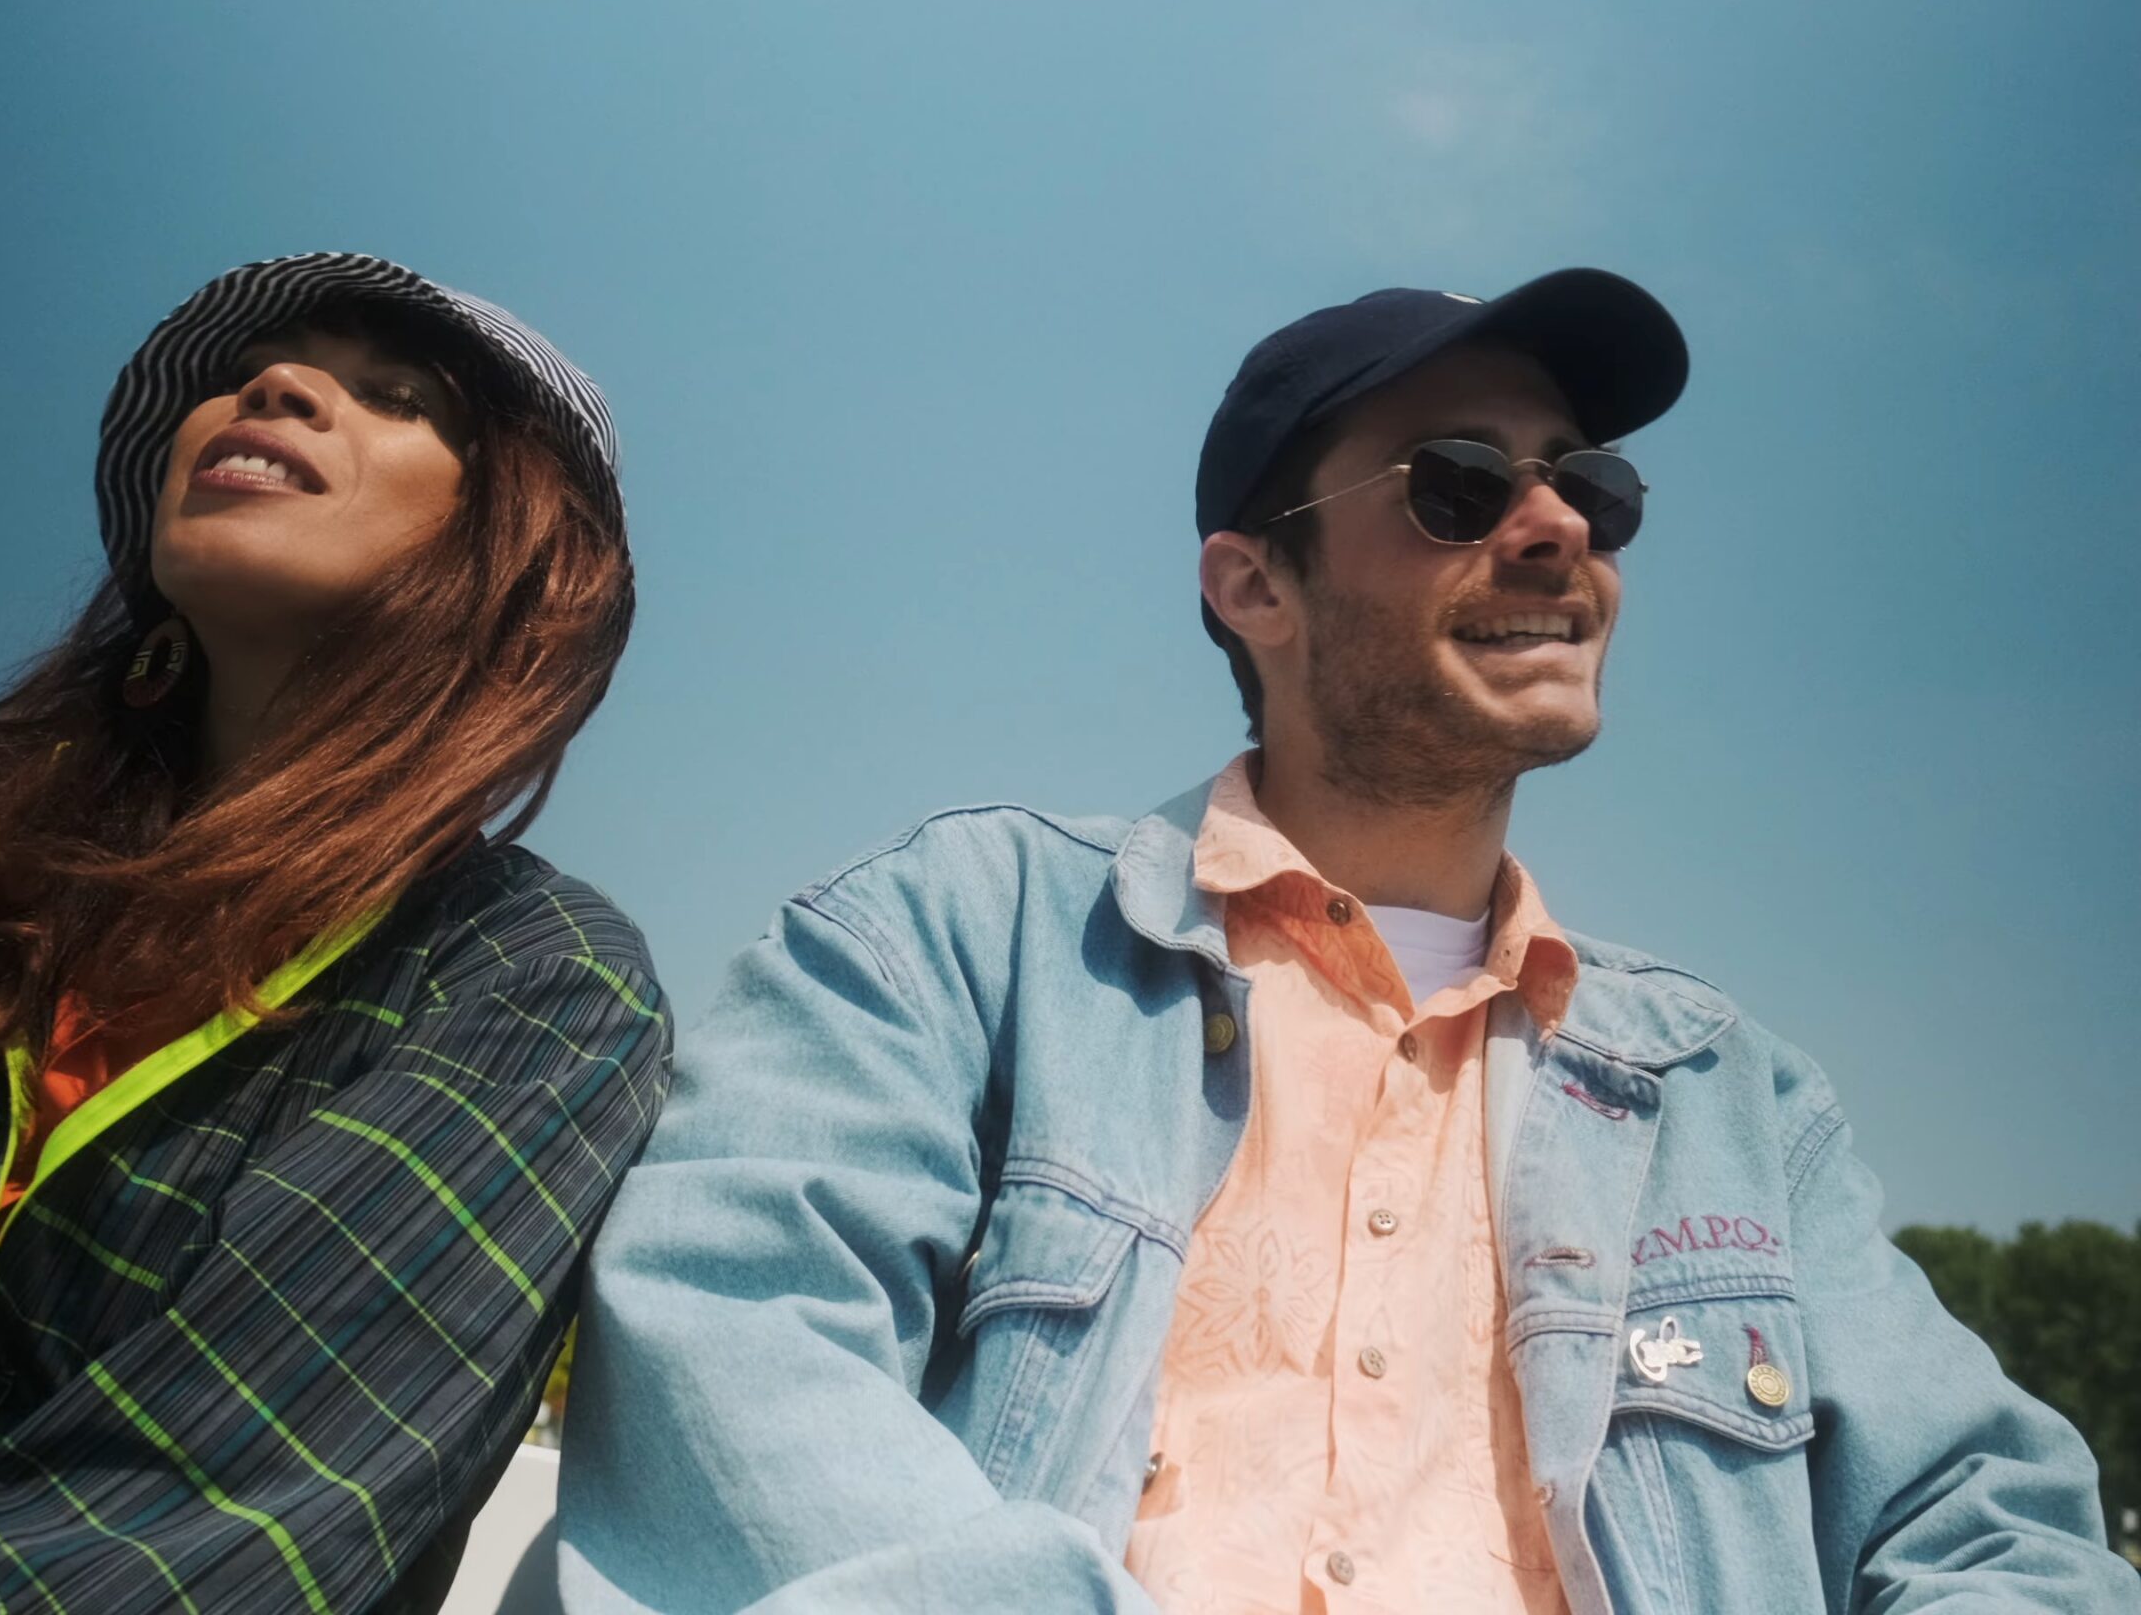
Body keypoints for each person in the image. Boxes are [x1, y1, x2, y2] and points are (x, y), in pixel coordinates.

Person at [558, 271, 2136, 1613]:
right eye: (1459, 483)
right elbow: (729, 1333)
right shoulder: (958, 940)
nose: (1556, 528)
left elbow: (1998, 1532)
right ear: (1255, 585)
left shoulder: (1740, 1105)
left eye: (1593, 490)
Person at [0, 253, 672, 1612]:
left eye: (398, 397)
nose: (275, 388)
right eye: (253, 374)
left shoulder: (537, 982)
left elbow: (194, 1536)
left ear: (508, 557)